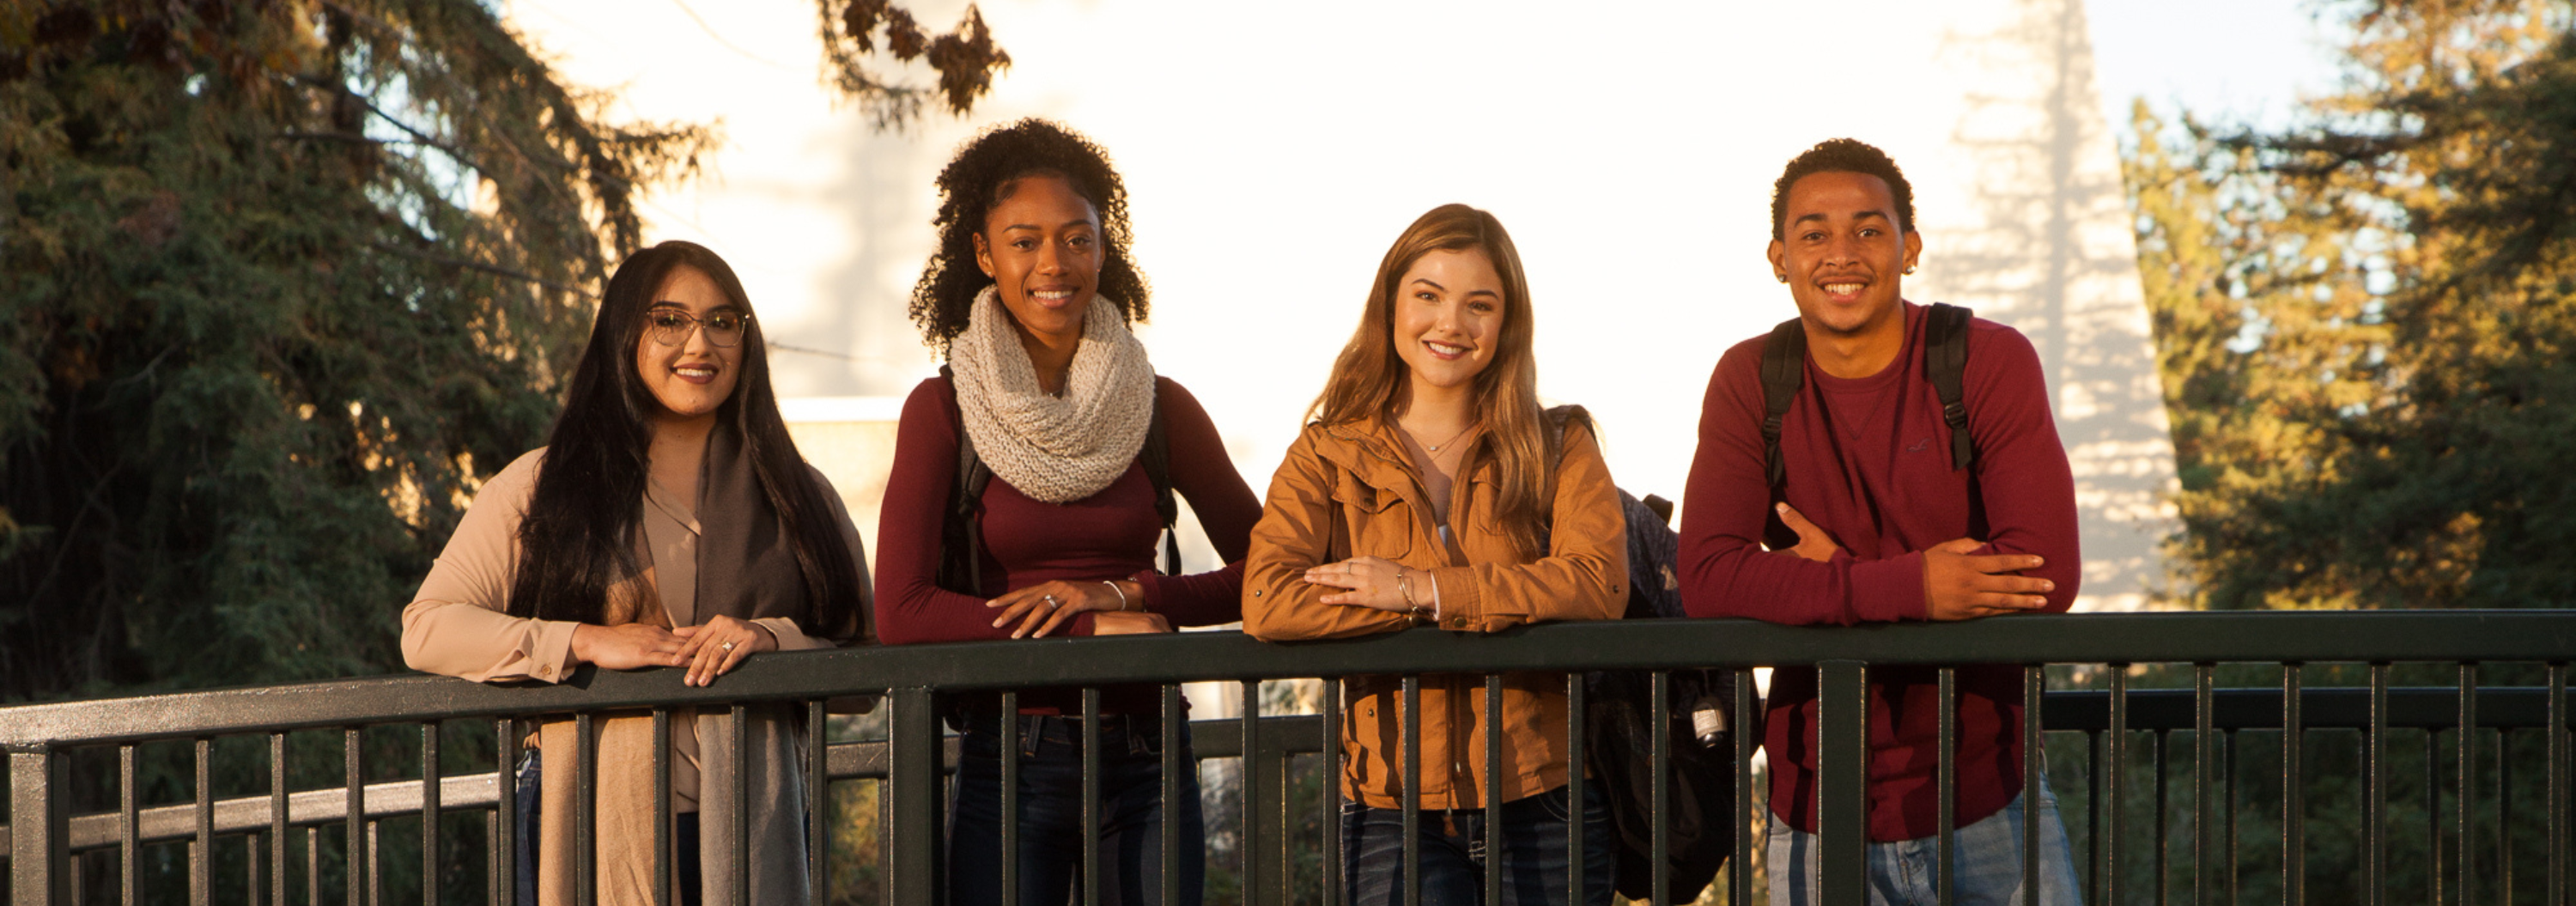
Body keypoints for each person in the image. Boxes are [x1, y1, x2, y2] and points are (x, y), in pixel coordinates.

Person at [1675, 138, 2085, 905]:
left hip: (1988, 792)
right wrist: (1918, 583)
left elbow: (2047, 574)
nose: (1842, 254)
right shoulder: (1749, 379)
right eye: (1813, 233)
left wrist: (1829, 577)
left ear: (1911, 247)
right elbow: (1705, 577)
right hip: (1816, 802)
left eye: (1869, 229)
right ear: (1778, 256)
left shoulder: (1985, 360)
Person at [403, 240, 871, 906]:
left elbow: (863, 668)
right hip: (587, 821)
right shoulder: (545, 484)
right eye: (669, 319)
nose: (698, 343)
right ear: (625, 333)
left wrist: (773, 641)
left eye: (722, 320)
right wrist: (585, 641)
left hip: (750, 826)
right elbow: (428, 628)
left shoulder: (798, 492)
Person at [872, 119, 1261, 906]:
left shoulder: (1162, 408)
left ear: (1102, 250)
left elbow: (1274, 574)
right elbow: (901, 610)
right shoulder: (942, 410)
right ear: (984, 254)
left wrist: (1137, 598)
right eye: (1024, 241)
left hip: (1153, 749)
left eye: (1076, 238)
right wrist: (1086, 631)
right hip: (1011, 754)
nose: (1053, 263)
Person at [1242, 204, 1628, 906]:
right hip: (1389, 805)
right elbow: (1269, 598)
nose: (1450, 324)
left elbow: (1598, 582)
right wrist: (1454, 603)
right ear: (1391, 303)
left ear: (1507, 323)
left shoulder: (1560, 443)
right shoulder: (1326, 453)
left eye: (1478, 304)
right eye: (1428, 296)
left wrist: (1424, 591)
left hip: (1546, 796)